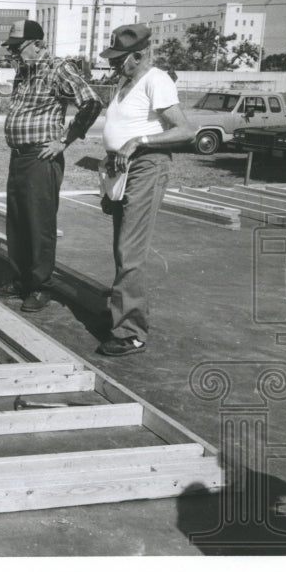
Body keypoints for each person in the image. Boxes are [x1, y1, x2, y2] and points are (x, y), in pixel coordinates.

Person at [96, 24, 195, 356]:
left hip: (147, 165)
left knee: (130, 249)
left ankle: (131, 331)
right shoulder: (125, 82)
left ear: (137, 55)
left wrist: (141, 140)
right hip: (122, 169)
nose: (113, 65)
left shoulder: (156, 80)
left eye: (118, 59)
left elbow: (185, 131)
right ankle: (122, 314)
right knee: (121, 248)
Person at [0, 20, 102, 312]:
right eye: (12, 50)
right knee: (17, 221)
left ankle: (40, 286)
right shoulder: (24, 72)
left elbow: (91, 102)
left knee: (38, 223)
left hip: (40, 158)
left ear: (37, 44)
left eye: (18, 48)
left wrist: (64, 141)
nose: (14, 55)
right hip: (19, 156)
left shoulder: (58, 69)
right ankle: (21, 280)